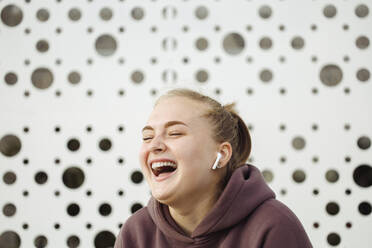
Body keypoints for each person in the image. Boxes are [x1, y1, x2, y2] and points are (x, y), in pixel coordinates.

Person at [114, 88, 313, 247]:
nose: (154, 145)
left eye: (175, 133)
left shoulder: (274, 226)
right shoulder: (135, 232)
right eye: (147, 137)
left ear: (222, 154)